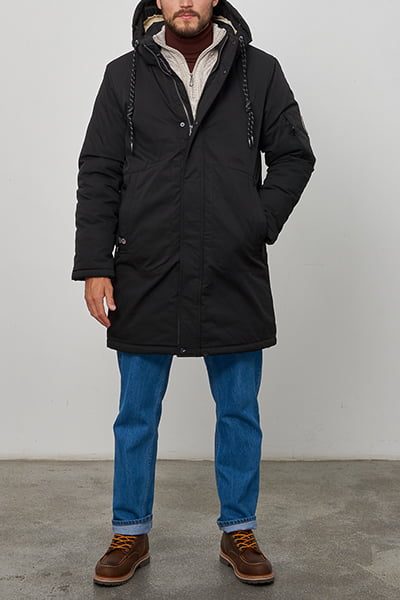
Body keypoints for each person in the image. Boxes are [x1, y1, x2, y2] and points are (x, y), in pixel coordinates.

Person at [72, 0, 316, 588]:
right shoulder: (124, 75)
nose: (185, 1)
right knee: (136, 413)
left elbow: (293, 156)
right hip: (145, 267)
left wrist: (255, 221)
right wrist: (95, 264)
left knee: (239, 411)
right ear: (157, 1)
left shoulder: (259, 71)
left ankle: (240, 529)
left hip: (232, 267)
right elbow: (99, 169)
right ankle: (129, 530)